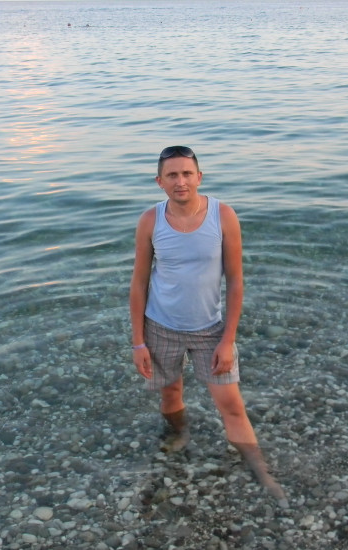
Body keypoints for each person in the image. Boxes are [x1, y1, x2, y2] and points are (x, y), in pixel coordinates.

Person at [129, 145, 287, 506]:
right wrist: (138, 342)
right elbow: (138, 283)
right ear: (159, 182)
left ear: (199, 177)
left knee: (231, 404)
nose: (180, 181)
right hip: (160, 326)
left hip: (210, 330)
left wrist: (227, 340)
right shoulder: (150, 221)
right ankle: (180, 435)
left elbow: (236, 280)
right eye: (172, 175)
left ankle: (262, 472)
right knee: (170, 392)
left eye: (187, 173)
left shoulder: (223, 215)